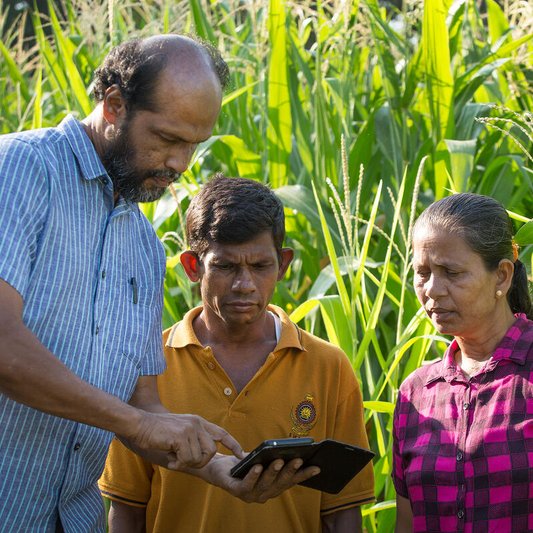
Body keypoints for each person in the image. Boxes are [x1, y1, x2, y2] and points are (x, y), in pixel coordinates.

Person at [0, 35, 313, 533]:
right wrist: (139, 423)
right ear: (115, 105)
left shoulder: (145, 248)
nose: (181, 164)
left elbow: (140, 405)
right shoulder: (20, 169)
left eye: (194, 144)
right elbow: (3, 346)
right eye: (168, 139)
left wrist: (222, 472)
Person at [98, 174, 375, 533]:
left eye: (260, 267)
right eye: (226, 267)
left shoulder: (327, 367)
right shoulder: (149, 366)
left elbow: (342, 511)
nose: (244, 285)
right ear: (193, 267)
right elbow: (128, 506)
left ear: (284, 264)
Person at [393, 193, 533, 532]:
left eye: (452, 273)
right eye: (422, 272)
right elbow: (406, 523)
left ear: (501, 276)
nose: (432, 290)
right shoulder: (416, 394)